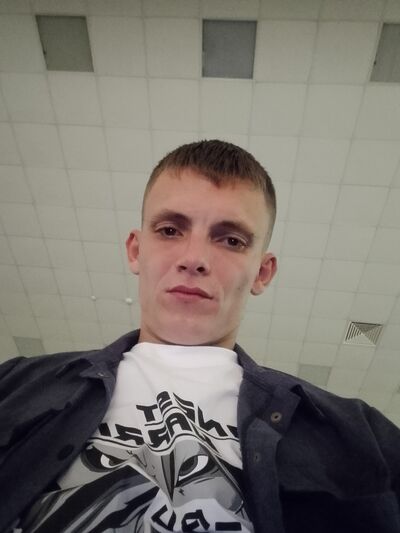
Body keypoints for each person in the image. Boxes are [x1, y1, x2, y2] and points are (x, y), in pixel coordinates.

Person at [0, 140, 399, 533]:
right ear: (136, 250)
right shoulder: (15, 385)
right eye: (170, 230)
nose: (194, 259)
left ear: (262, 272)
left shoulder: (361, 436)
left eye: (231, 240)